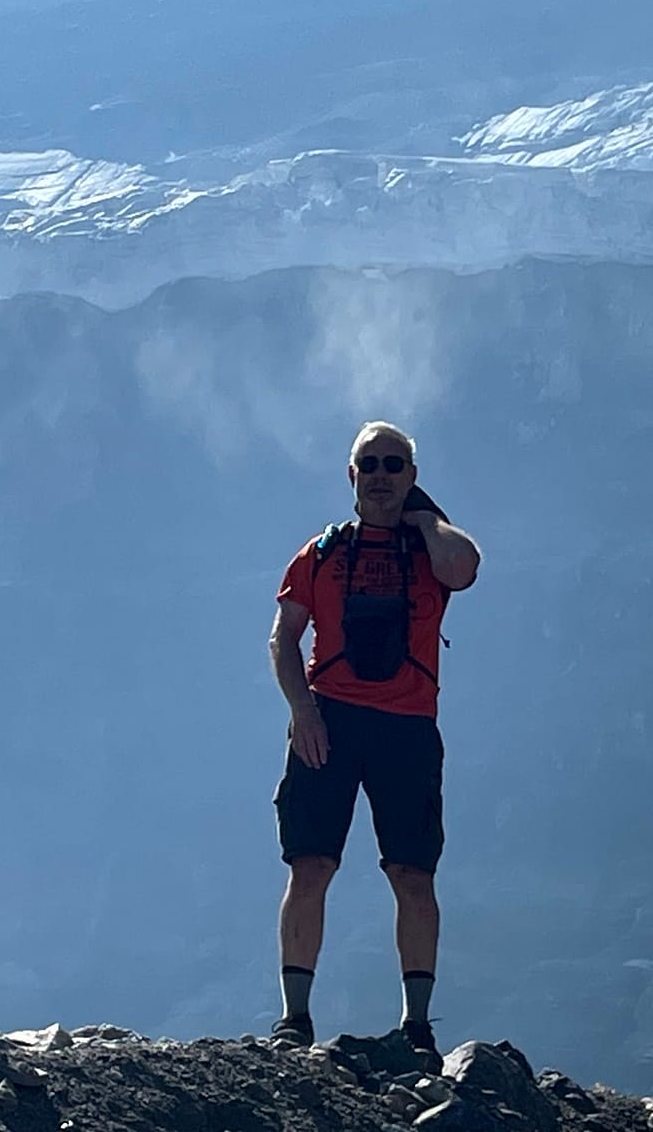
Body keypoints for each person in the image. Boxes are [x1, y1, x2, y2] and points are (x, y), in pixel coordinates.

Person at [267, 420, 482, 1070]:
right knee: (311, 865)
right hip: (328, 720)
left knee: (413, 876)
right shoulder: (321, 553)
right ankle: (294, 1019)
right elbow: (283, 639)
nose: (381, 474)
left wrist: (421, 518)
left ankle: (416, 1027)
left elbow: (466, 568)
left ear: (412, 477)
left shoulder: (429, 552)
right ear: (350, 474)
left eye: (394, 464)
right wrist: (301, 711)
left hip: (406, 728)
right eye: (370, 463)